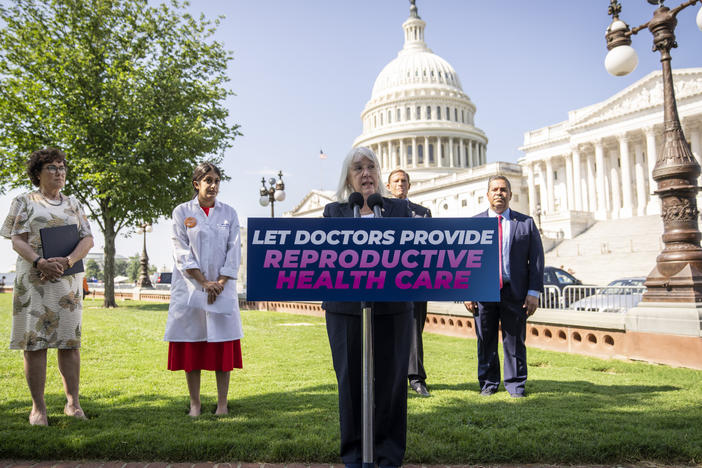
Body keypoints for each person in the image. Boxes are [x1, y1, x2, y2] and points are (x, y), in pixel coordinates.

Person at [323, 147, 413, 468]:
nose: (366, 174)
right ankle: (355, 456)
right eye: (357, 168)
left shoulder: (400, 210)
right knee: (350, 384)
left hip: (393, 309)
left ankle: (388, 455)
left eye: (371, 166)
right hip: (345, 310)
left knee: (391, 383)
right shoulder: (334, 213)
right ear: (348, 177)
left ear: (379, 171)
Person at [0, 148, 94, 425]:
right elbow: (17, 240)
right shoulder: (24, 201)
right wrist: (40, 262)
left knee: (69, 343)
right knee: (35, 343)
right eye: (52, 167)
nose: (59, 172)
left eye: (62, 167)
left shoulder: (74, 204)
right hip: (35, 281)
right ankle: (38, 409)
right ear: (38, 173)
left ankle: (73, 404)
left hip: (67, 283)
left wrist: (67, 261)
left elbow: (88, 240)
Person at [163, 162, 243, 417]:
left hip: (222, 288)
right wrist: (202, 282)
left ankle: (222, 404)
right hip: (191, 289)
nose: (213, 185)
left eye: (217, 180)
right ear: (196, 184)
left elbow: (235, 250)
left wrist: (219, 282)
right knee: (192, 344)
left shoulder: (229, 214)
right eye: (208, 180)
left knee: (222, 345)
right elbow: (181, 250)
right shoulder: (181, 212)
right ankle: (195, 404)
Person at [464, 175, 544, 398]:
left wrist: (533, 292)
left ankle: (515, 384)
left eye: (503, 189)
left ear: (510, 194)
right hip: (483, 291)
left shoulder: (525, 223)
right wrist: (468, 291)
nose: (499, 193)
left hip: (514, 291)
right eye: (494, 189)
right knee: (485, 340)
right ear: (487, 195)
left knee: (515, 340)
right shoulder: (475, 224)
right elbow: (467, 260)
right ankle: (489, 383)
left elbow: (536, 260)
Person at [386, 168, 432, 398]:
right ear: (388, 186)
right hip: (386, 281)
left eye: (404, 181)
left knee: (414, 331)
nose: (401, 184)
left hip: (416, 281)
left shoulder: (422, 213)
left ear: (410, 185)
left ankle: (415, 378)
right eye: (396, 181)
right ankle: (388, 378)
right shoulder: (379, 213)